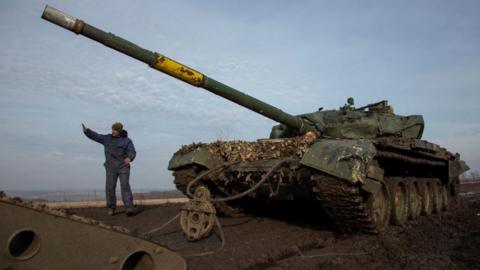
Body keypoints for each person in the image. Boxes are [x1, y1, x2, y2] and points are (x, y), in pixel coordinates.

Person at [82, 122, 137, 216]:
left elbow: (132, 151)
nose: (113, 131)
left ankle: (129, 208)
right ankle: (111, 208)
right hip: (110, 168)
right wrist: (87, 131)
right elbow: (96, 136)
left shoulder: (127, 141)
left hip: (123, 167)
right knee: (110, 188)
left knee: (125, 187)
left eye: (115, 130)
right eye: (112, 129)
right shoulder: (107, 138)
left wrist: (129, 158)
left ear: (119, 131)